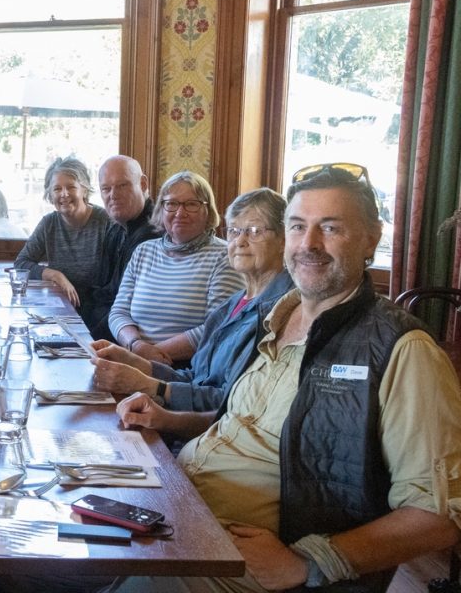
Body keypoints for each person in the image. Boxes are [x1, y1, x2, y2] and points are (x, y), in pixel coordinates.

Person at [112, 165, 461, 592]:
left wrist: (308, 563)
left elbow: (440, 515)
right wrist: (166, 417)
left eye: (330, 228)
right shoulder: (276, 317)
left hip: (242, 567)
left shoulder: (402, 350)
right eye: (298, 226)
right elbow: (249, 423)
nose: (309, 244)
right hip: (176, 511)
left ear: (372, 237)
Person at [92, 188, 294, 416]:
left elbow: (230, 405)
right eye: (234, 231)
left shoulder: (283, 313)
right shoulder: (232, 305)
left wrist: (150, 385)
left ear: (284, 240)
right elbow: (197, 377)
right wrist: (135, 361)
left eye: (254, 231)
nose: (240, 241)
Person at [107, 171, 242, 364]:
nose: (180, 213)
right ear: (161, 209)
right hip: (134, 356)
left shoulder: (224, 256)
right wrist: (136, 346)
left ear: (207, 211)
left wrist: (150, 356)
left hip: (186, 370)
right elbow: (119, 312)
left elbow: (217, 325)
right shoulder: (143, 251)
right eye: (171, 204)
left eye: (191, 204)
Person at [13, 156, 111, 308]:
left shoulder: (105, 221)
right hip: (61, 307)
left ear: (84, 189)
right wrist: (55, 275)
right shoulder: (49, 223)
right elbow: (21, 264)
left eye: (71, 187)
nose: (64, 194)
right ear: (50, 195)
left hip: (99, 310)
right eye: (57, 189)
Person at [80, 155, 160, 339]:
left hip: (125, 339)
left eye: (122, 186)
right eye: (106, 189)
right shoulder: (116, 228)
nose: (113, 195)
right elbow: (100, 290)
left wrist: (84, 340)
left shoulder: (153, 235)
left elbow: (125, 308)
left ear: (143, 184)